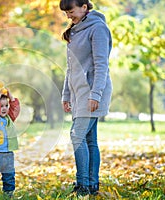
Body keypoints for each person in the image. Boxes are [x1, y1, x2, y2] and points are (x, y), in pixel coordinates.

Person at [59, 0, 112, 197]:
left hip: (93, 92)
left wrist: (95, 94)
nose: (68, 16)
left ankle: (83, 184)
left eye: (70, 11)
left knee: (77, 135)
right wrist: (66, 94)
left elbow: (101, 65)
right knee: (90, 140)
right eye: (66, 13)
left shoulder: (98, 29)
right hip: (78, 93)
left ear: (84, 7)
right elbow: (71, 68)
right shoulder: (74, 31)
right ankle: (91, 185)